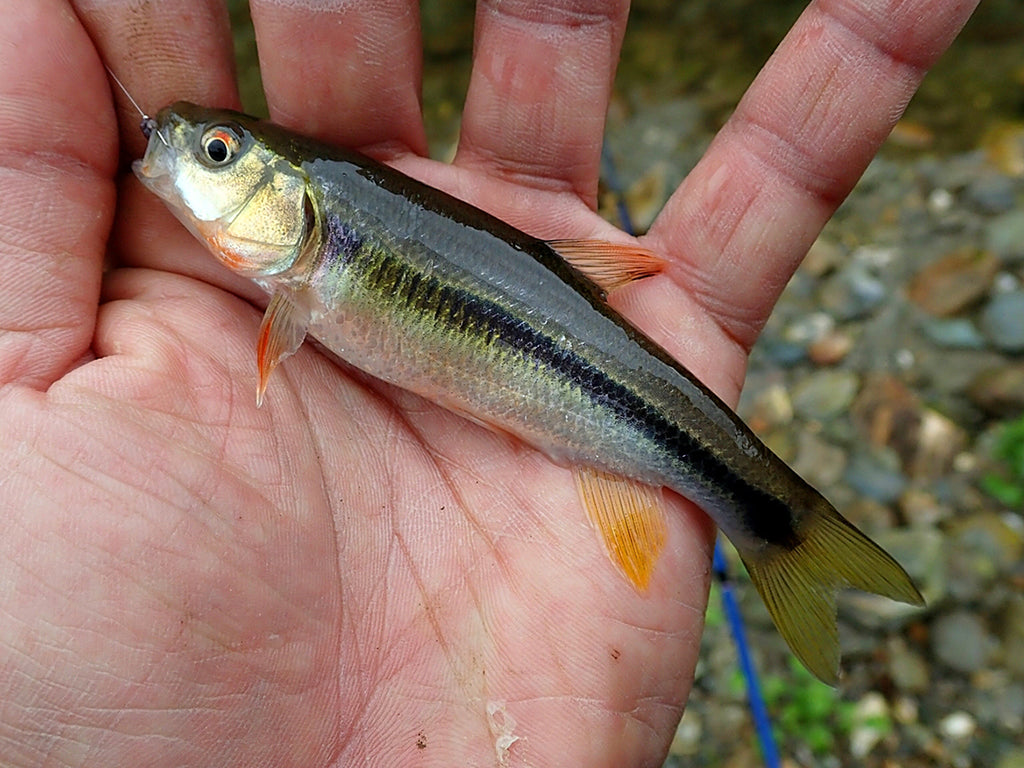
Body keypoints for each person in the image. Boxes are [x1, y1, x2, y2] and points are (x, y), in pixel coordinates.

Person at [0, 0, 976, 765]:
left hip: (594, 391)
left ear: (292, 203)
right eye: (216, 150)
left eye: (217, 154)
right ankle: (777, 521)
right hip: (581, 379)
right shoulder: (296, 269)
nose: (186, 152)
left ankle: (779, 522)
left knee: (701, 468)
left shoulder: (308, 258)